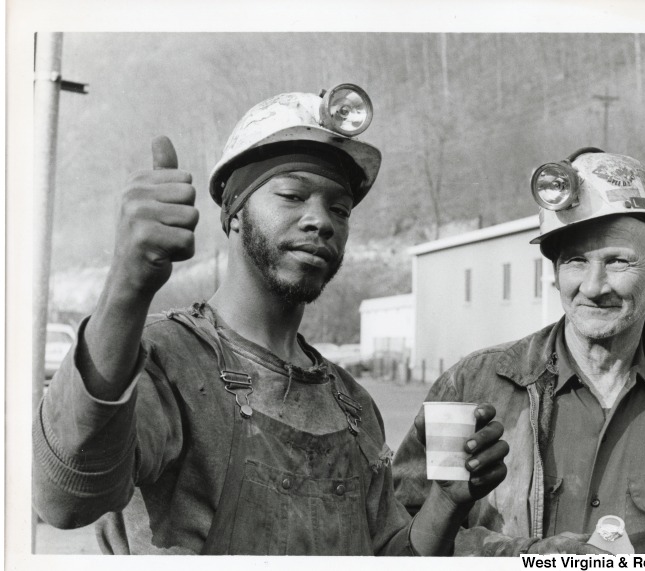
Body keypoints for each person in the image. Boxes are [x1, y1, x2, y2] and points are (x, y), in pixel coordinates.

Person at [33, 85, 509, 555]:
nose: (321, 221)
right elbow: (65, 499)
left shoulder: (352, 404)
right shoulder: (168, 361)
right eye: (292, 195)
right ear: (233, 212)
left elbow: (388, 558)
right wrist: (126, 285)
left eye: (339, 208)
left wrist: (446, 501)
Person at [393, 148, 645, 555]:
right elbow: (399, 536)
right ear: (555, 272)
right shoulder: (472, 388)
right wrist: (524, 558)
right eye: (575, 260)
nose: (593, 286)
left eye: (617, 261)